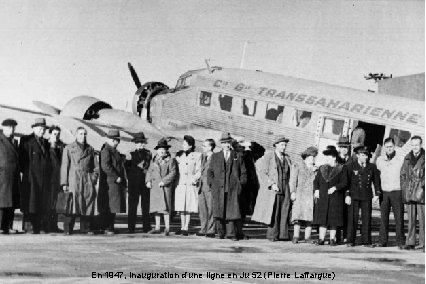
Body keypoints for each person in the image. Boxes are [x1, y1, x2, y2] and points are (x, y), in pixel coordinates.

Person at [207, 133, 247, 241]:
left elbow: (243, 173)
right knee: (219, 211)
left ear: (231, 143)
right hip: (218, 188)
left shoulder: (238, 156)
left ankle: (231, 233)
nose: (226, 145)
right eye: (224, 143)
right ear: (221, 144)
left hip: (233, 188)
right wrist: (211, 184)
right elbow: (210, 171)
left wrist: (240, 184)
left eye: (228, 142)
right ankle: (220, 232)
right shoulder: (215, 156)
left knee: (232, 211)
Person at [252, 136, 292, 242]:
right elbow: (261, 171)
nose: (284, 147)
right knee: (274, 210)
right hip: (274, 188)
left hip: (285, 186)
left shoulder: (287, 158)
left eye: (285, 145)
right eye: (282, 145)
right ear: (276, 145)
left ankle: (283, 235)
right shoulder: (269, 156)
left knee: (284, 209)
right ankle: (272, 235)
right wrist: (271, 183)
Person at [61, 127, 99, 235]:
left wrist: (93, 177)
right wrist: (64, 183)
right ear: (76, 135)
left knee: (87, 202)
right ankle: (67, 228)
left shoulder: (90, 149)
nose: (83, 136)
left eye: (85, 134)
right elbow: (65, 166)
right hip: (74, 179)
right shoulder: (69, 148)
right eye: (81, 134)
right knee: (72, 204)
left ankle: (85, 228)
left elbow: (95, 166)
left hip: (87, 179)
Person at [19, 118, 51, 233]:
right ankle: (29, 227)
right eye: (40, 128)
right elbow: (22, 161)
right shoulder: (26, 140)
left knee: (40, 203)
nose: (42, 131)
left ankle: (39, 226)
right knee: (30, 203)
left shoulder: (46, 143)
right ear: (33, 128)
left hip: (43, 179)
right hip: (31, 178)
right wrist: (29, 173)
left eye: (44, 129)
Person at [346, 146, 381, 247]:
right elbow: (347, 182)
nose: (364, 157)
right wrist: (347, 195)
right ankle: (350, 240)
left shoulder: (372, 167)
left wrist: (377, 194)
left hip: (366, 195)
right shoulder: (350, 166)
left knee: (366, 218)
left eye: (366, 155)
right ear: (357, 155)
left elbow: (376, 181)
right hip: (354, 195)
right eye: (362, 155)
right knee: (353, 218)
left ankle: (366, 241)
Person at [312, 146, 347, 246]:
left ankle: (332, 239)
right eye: (326, 156)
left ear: (334, 157)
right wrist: (317, 190)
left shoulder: (341, 168)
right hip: (323, 197)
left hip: (336, 197)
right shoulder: (322, 168)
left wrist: (335, 188)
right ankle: (321, 239)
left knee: (333, 220)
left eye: (329, 157)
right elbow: (316, 181)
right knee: (322, 219)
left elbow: (345, 182)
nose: (326, 158)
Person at [375, 137, 405, 248]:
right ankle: (382, 241)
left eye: (391, 147)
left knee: (399, 218)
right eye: (387, 147)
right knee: (383, 218)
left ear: (394, 146)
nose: (389, 149)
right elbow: (376, 176)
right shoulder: (379, 160)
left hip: (397, 191)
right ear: (384, 147)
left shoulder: (400, 159)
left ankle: (400, 242)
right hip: (384, 192)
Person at [145, 138, 178, 236]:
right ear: (157, 150)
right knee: (156, 208)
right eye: (160, 149)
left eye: (164, 149)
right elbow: (149, 171)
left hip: (165, 187)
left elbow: (173, 172)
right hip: (155, 187)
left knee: (166, 208)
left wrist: (164, 181)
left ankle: (167, 228)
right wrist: (148, 181)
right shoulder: (154, 160)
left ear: (167, 150)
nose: (162, 151)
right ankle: (157, 227)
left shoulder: (171, 160)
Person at [99, 129, 127, 235]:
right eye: (116, 140)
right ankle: (107, 227)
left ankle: (110, 226)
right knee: (110, 205)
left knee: (113, 205)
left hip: (113, 182)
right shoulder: (106, 150)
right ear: (112, 140)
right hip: (111, 182)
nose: (118, 143)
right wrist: (116, 176)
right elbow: (105, 165)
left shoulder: (112, 150)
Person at [400, 136, 425, 251]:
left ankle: (423, 242)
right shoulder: (407, 158)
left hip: (421, 191)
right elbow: (403, 174)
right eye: (413, 145)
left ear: (421, 144)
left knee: (423, 218)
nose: (415, 147)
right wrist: (405, 188)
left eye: (417, 144)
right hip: (410, 191)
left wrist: (422, 185)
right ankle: (410, 242)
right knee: (411, 218)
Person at [175, 135, 202, 235]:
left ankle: (186, 226)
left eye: (185, 144)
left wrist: (194, 179)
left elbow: (199, 170)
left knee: (188, 206)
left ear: (190, 146)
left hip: (190, 183)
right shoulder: (179, 155)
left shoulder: (197, 155)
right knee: (181, 206)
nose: (183, 145)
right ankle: (182, 226)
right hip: (181, 183)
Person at [290, 146, 318, 244]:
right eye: (311, 157)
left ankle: (307, 237)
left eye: (314, 157)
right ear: (306, 157)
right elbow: (293, 180)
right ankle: (296, 236)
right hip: (300, 194)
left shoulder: (315, 169)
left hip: (310, 196)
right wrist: (293, 192)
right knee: (297, 216)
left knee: (309, 217)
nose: (313, 159)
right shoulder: (298, 166)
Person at [125, 132, 152, 233]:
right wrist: (129, 179)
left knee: (146, 206)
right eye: (138, 142)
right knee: (132, 206)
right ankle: (131, 227)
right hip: (133, 183)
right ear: (135, 143)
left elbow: (149, 167)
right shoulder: (129, 153)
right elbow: (126, 168)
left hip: (145, 182)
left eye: (142, 142)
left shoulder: (148, 153)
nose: (140, 144)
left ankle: (146, 227)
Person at [0, 119, 20, 234]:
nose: (11, 129)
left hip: (13, 176)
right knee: (1, 203)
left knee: (11, 202)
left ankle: (8, 226)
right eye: (9, 127)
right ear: (3, 128)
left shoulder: (14, 141)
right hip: (2, 176)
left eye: (13, 127)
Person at [236, 138, 259, 240]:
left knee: (244, 211)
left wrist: (250, 145)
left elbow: (261, 150)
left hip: (249, 187)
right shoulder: (239, 154)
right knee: (238, 210)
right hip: (241, 185)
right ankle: (236, 231)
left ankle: (239, 231)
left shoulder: (249, 155)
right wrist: (241, 145)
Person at [197, 139, 216, 237]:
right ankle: (203, 228)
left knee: (211, 208)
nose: (202, 147)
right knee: (202, 209)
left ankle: (211, 229)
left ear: (210, 147)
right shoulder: (203, 157)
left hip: (210, 186)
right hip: (201, 185)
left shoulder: (215, 157)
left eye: (204, 146)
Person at [336, 136, 352, 244]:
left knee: (347, 214)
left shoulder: (352, 160)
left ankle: (346, 235)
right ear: (339, 148)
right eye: (342, 147)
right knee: (337, 214)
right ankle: (336, 237)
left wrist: (348, 193)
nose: (344, 149)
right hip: (337, 191)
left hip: (348, 191)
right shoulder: (335, 160)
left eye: (346, 147)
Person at [48, 126, 64, 233]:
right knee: (48, 203)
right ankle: (47, 225)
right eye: (54, 134)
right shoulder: (45, 145)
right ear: (50, 134)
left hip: (58, 179)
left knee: (55, 203)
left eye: (58, 134)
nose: (56, 136)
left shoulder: (61, 146)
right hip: (48, 179)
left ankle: (54, 225)